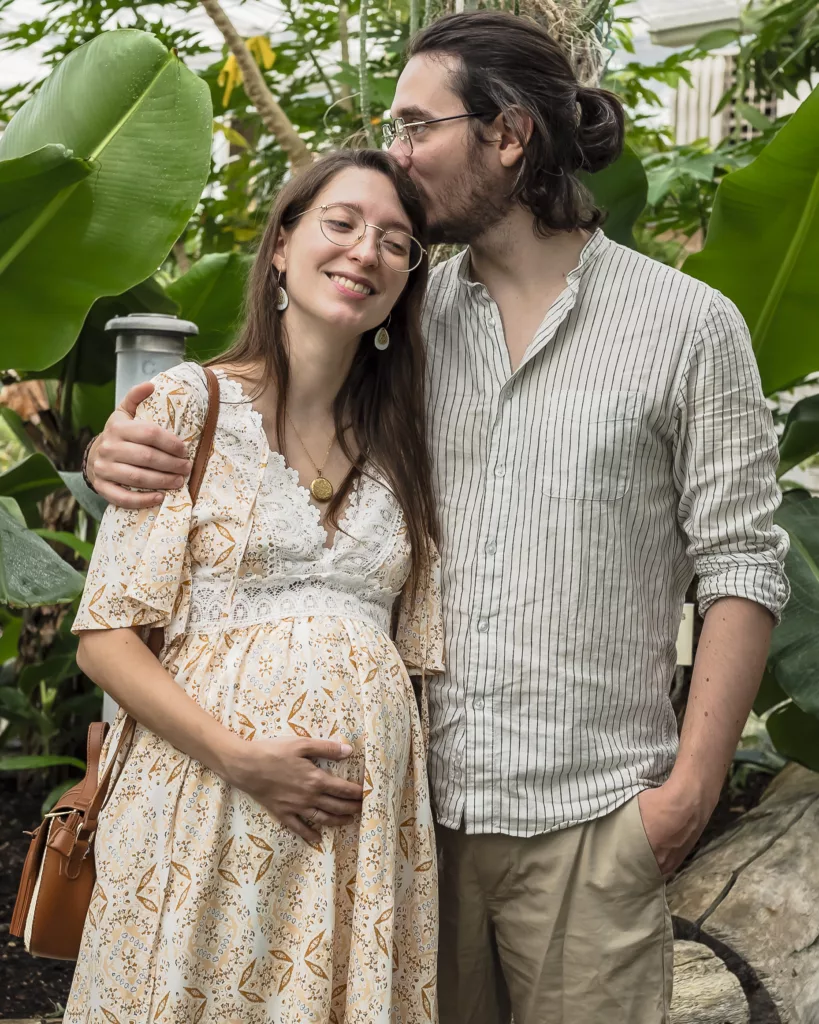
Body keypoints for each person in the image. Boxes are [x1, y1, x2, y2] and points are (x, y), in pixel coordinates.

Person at [84, 11, 790, 1024]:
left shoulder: (687, 326)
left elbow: (741, 564)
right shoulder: (404, 324)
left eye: (418, 126)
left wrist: (685, 797)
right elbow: (270, 413)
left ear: (507, 136)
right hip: (403, 824)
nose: (398, 151)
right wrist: (120, 445)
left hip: (591, 822)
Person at [67, 149, 443, 1024]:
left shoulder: (406, 449)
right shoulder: (186, 407)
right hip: (204, 804)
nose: (365, 251)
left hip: (357, 844)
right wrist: (241, 759)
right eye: (341, 223)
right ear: (281, 245)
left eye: (395, 241)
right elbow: (107, 636)